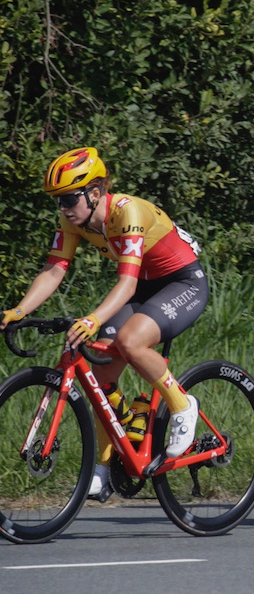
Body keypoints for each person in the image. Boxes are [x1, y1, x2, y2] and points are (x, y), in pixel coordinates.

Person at [0, 147, 207, 500]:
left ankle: (182, 406)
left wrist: (93, 318)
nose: (63, 208)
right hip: (142, 286)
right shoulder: (72, 220)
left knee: (130, 341)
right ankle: (109, 464)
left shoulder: (128, 212)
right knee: (100, 377)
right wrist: (17, 311)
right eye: (57, 201)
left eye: (68, 198)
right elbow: (54, 270)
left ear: (94, 192)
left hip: (181, 282)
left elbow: (125, 284)